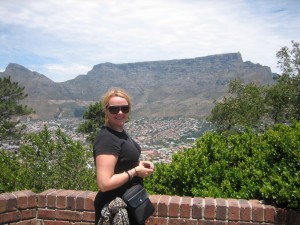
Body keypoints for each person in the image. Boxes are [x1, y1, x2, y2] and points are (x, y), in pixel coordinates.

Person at [93, 88, 155, 225]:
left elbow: (123, 162)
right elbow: (104, 183)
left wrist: (139, 165)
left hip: (129, 203)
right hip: (115, 210)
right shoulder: (107, 139)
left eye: (124, 108)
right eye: (114, 109)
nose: (120, 112)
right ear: (106, 110)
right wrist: (135, 171)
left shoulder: (120, 131)